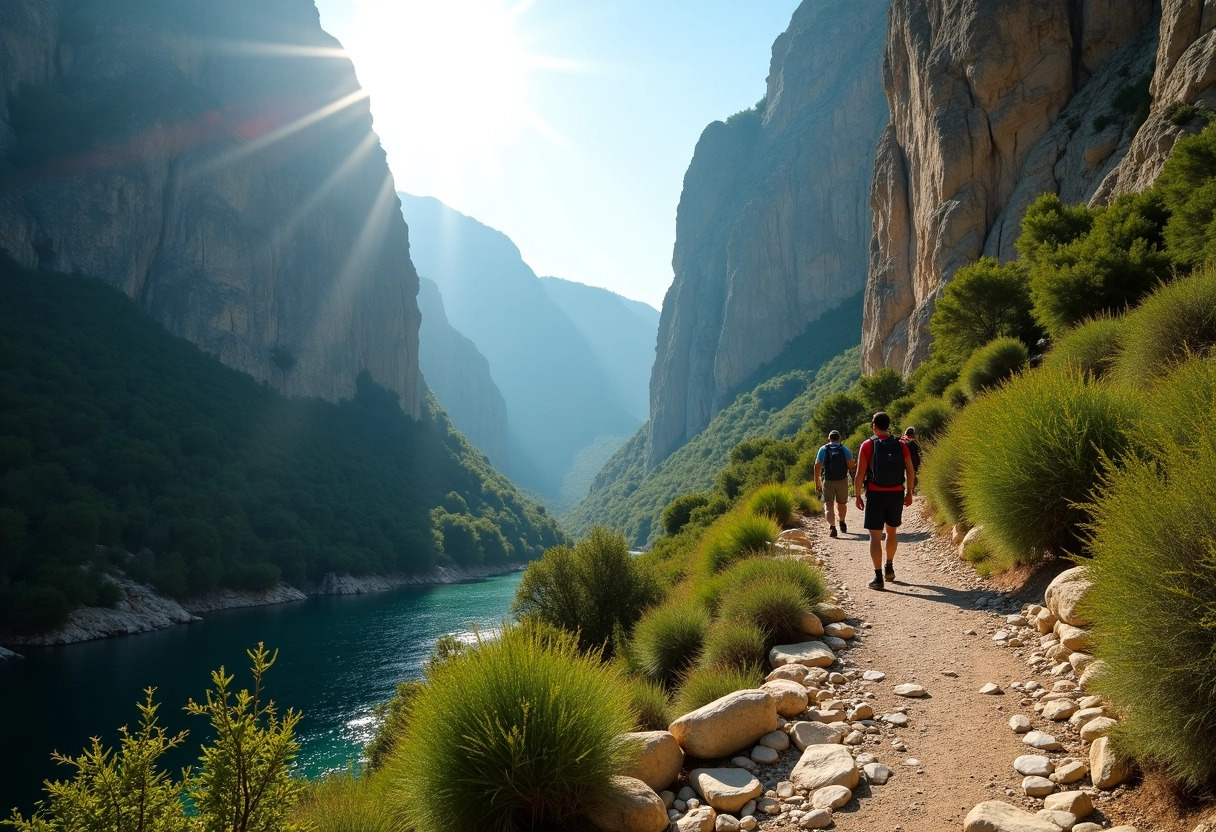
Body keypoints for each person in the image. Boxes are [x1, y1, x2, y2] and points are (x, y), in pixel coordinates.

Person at [854, 412, 916, 590]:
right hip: (896, 493)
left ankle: (878, 577)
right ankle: (889, 567)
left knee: (875, 536)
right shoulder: (901, 444)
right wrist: (909, 492)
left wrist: (857, 495)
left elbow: (859, 474)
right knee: (892, 532)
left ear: (874, 425)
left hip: (875, 494)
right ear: (888, 425)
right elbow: (910, 471)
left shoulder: (867, 445)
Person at [813, 430, 857, 538]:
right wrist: (856, 480)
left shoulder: (823, 449)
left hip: (828, 481)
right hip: (842, 480)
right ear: (839, 439)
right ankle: (842, 521)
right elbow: (852, 467)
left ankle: (832, 527)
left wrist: (817, 481)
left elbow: (817, 466)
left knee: (829, 505)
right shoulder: (844, 450)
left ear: (829, 439)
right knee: (842, 504)